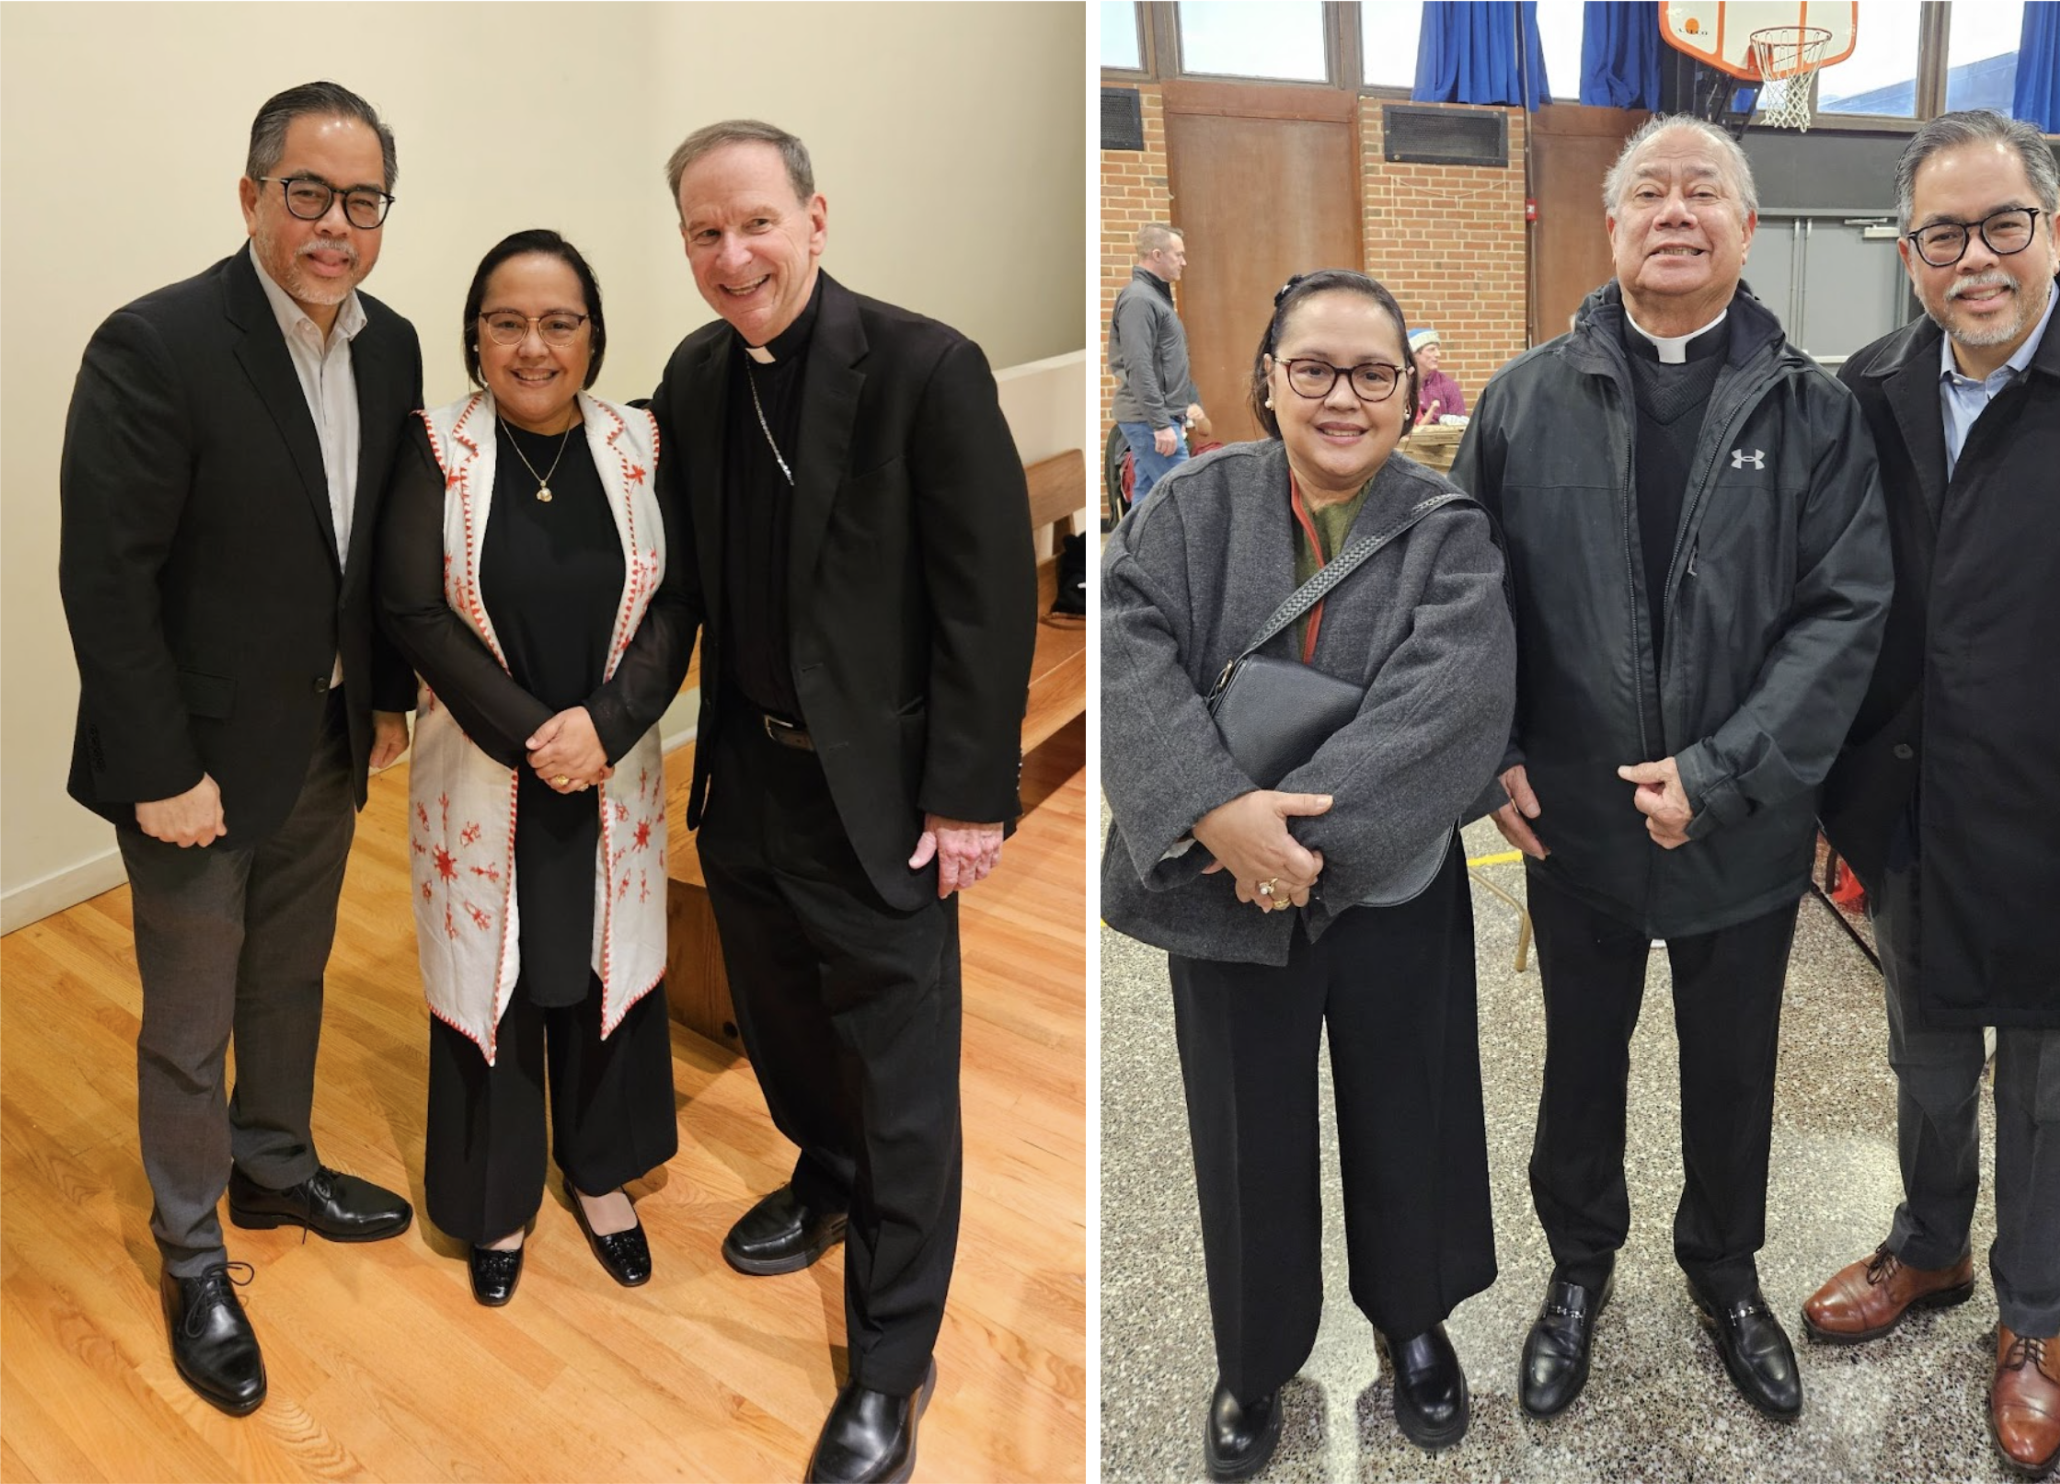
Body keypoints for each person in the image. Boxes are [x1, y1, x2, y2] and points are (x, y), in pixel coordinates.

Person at [1449, 113, 1891, 1424]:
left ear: (1747, 229)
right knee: (1580, 1058)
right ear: (1614, 225)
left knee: (1734, 1061)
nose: (1678, 211)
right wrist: (1497, 755)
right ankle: (1578, 1269)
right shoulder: (1525, 399)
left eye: (1707, 191)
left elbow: (1845, 612)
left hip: (1741, 824)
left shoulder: (1814, 411)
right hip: (1573, 821)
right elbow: (1465, 599)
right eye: (1651, 192)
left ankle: (1725, 1270)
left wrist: (1725, 769)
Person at [648, 119, 1036, 1484]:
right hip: (747, 782)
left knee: (904, 1080)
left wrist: (972, 797)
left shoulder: (925, 369)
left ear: (817, 218)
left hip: (878, 793)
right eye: (705, 231)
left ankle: (891, 1359)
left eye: (755, 221)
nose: (732, 253)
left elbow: (988, 604)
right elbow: (685, 588)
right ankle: (824, 1176)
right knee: (786, 1027)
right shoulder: (693, 378)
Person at [1104, 269, 1517, 1480]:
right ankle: (1255, 1353)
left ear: (1407, 389)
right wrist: (1217, 814)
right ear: (1268, 380)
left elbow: (1448, 705)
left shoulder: (1446, 529)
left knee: (1412, 1107)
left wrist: (1288, 851)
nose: (1343, 397)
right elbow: (1130, 660)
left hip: (1381, 888)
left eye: (1372, 374)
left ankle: (1414, 1320)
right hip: (1214, 885)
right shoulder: (1188, 509)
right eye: (1315, 370)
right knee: (1243, 1132)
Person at [57, 81, 423, 1416]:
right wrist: (162, 770)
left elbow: (372, 548)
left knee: (291, 978)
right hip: (190, 767)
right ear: (253, 194)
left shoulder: (388, 349)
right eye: (309, 194)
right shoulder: (155, 346)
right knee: (189, 1017)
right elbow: (110, 581)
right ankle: (194, 1247)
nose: (336, 224)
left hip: (324, 740)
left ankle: (275, 1165)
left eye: (363, 200)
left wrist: (380, 698)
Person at [1799, 111, 2060, 1481]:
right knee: (1926, 1057)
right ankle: (1930, 1245)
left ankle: (2035, 1319)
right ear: (1908, 249)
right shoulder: (1867, 387)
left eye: (2004, 226)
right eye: (1944, 234)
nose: (1975, 260)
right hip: (1914, 804)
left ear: (2057, 226)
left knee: (2053, 1093)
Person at [378, 230, 683, 1309]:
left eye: (559, 322)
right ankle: (495, 1191)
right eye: (506, 321)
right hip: (484, 765)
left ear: (591, 335)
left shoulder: (641, 442)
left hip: (611, 765)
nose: (532, 345)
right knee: (492, 974)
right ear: (476, 333)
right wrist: (532, 732)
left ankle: (600, 1172)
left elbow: (676, 602)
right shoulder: (434, 445)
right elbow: (411, 607)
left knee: (600, 961)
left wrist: (604, 725)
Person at [1110, 222, 1204, 504]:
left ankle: (1132, 548)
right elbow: (1138, 367)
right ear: (1157, 255)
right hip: (1149, 420)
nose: (1184, 262)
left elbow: (1164, 362)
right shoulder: (1139, 300)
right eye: (1179, 255)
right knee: (1188, 497)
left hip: (1155, 417)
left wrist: (1182, 407)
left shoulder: (1154, 298)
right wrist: (1160, 424)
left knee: (1147, 498)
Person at [1407, 327, 1467, 424]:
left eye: (1437, 349)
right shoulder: (1402, 383)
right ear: (1414, 354)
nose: (1438, 354)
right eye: (1431, 350)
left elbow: (1460, 428)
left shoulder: (1448, 385)